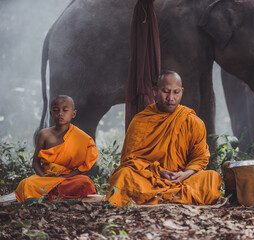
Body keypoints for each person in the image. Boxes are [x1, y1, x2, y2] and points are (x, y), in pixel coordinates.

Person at [106, 70, 222, 207]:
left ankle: (158, 197)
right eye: (166, 91)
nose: (171, 98)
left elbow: (200, 158)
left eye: (176, 92)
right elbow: (129, 159)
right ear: (155, 91)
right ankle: (174, 197)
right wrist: (158, 172)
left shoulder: (192, 121)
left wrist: (184, 174)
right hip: (149, 179)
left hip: (182, 180)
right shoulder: (141, 120)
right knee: (123, 175)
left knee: (211, 177)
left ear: (182, 91)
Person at [15, 95, 98, 202]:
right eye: (56, 110)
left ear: (73, 114)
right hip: (46, 178)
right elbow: (35, 162)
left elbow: (83, 167)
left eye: (65, 110)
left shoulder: (81, 137)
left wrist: (65, 177)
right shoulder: (44, 134)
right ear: (51, 114)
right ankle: (59, 196)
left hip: (68, 178)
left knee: (85, 182)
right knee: (26, 184)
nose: (60, 113)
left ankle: (48, 195)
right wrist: (44, 176)